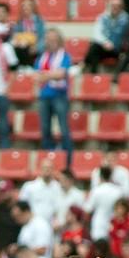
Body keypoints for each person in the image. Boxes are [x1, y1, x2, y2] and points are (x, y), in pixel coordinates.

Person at [34, 29, 73, 171]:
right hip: (45, 96)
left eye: (53, 39)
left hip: (59, 96)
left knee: (64, 130)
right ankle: (48, 161)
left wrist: (47, 76)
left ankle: (68, 162)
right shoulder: (42, 57)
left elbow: (62, 74)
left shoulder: (65, 56)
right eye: (48, 39)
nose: (50, 42)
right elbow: (38, 75)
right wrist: (51, 75)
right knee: (45, 129)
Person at [83, 0, 129, 73]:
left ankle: (82, 65)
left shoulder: (126, 19)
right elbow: (97, 33)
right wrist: (105, 42)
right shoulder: (102, 17)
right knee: (94, 48)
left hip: (118, 49)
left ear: (121, 7)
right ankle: (94, 75)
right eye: (113, 5)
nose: (115, 8)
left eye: (118, 6)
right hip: (105, 47)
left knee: (93, 52)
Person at [11, 0, 46, 67]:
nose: (25, 8)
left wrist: (37, 47)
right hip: (22, 50)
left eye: (28, 5)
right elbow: (14, 37)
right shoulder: (19, 22)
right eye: (23, 5)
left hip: (35, 50)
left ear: (33, 7)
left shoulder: (39, 22)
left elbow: (43, 38)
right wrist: (15, 42)